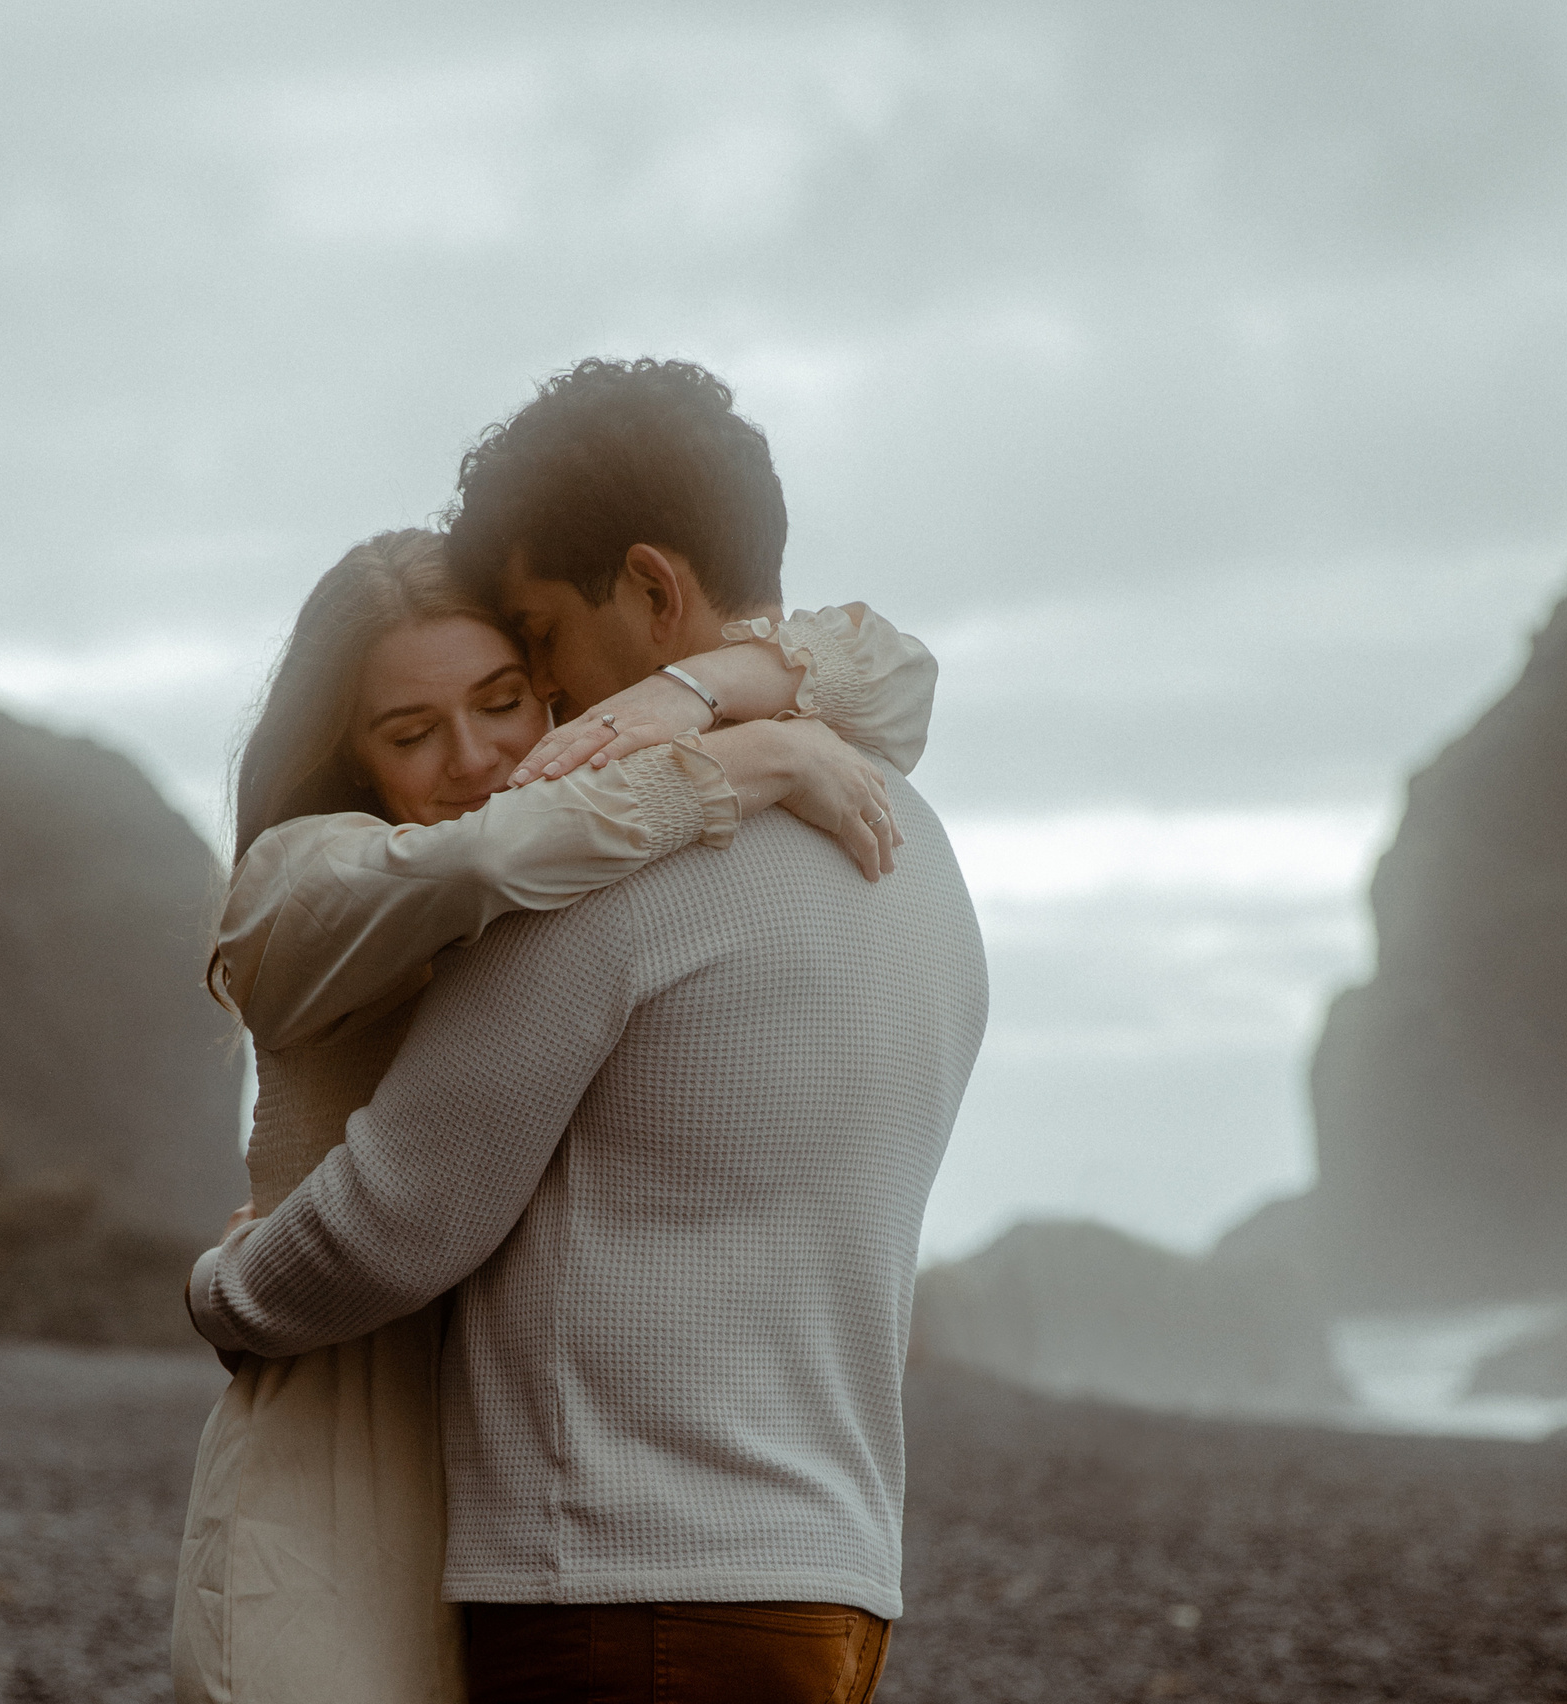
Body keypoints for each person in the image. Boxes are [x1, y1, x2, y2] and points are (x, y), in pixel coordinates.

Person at [184, 358, 987, 1704]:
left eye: (535, 654)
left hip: (628, 1582)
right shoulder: (915, 843)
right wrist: (726, 720)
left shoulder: (612, 870)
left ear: (652, 587)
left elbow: (398, 1220)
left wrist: (220, 1288)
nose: (540, 716)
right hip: (835, 1577)